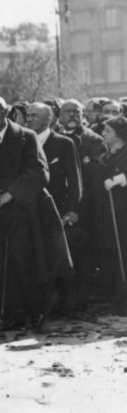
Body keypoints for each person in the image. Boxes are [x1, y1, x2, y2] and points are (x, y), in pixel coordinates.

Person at [0, 95, 65, 332]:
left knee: (28, 262)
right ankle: (14, 314)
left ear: (6, 112)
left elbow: (39, 172)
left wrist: (10, 194)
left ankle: (37, 313)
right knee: (4, 264)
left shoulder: (26, 137)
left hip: (26, 211)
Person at [26, 102, 81, 324]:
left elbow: (75, 180)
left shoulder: (63, 144)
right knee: (37, 258)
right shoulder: (24, 142)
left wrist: (73, 210)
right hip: (32, 209)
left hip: (58, 210)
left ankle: (65, 307)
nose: (29, 119)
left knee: (60, 258)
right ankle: (41, 307)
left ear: (48, 119)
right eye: (28, 115)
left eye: (34, 115)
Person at [58, 99, 109, 310]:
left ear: (82, 115)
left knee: (83, 253)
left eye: (75, 111)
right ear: (59, 116)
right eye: (67, 111)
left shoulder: (94, 140)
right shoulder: (54, 138)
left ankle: (81, 300)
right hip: (60, 204)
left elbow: (94, 175)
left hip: (86, 206)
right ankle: (63, 299)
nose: (71, 115)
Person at [91, 117, 127, 308]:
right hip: (106, 210)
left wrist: (120, 179)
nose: (103, 133)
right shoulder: (107, 154)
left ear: (119, 134)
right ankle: (115, 295)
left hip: (122, 211)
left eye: (108, 130)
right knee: (110, 250)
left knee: (123, 249)